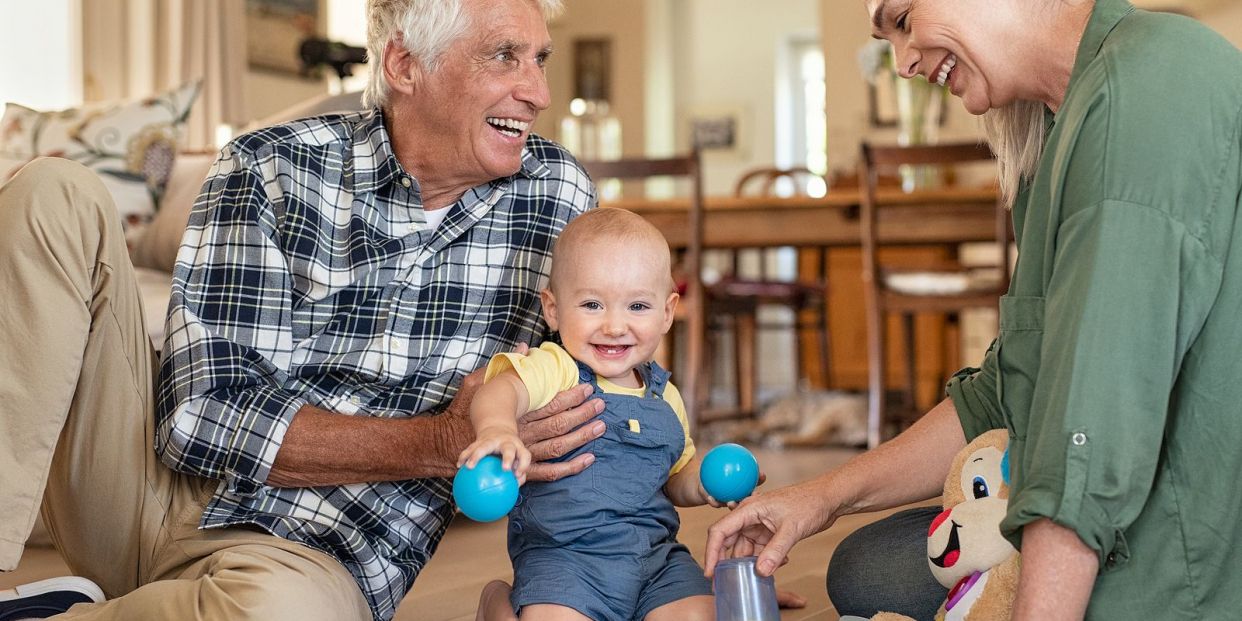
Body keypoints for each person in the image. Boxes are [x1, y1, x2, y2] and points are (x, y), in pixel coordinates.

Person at [0, 0, 613, 619]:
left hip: (312, 557)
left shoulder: (556, 196)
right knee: (51, 194)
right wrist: (440, 440)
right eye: (505, 57)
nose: (537, 92)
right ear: (405, 64)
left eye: (539, 59)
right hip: (146, 495)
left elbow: (598, 399)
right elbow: (196, 420)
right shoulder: (270, 164)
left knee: (278, 612)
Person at [704, 0, 1242, 619]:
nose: (903, 62)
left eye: (903, 20)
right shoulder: (1060, 124)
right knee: (866, 568)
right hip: (1124, 492)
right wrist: (821, 498)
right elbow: (1008, 389)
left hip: (1187, 541)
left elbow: (1088, 434)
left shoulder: (1147, 89)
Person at [460, 208, 716, 621]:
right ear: (554, 309)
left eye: (637, 305)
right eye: (593, 304)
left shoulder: (664, 394)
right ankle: (497, 603)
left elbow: (675, 479)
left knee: (700, 614)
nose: (615, 326)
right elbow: (499, 390)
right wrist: (498, 428)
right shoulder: (556, 368)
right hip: (565, 562)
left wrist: (707, 485)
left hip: (656, 561)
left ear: (666, 312)